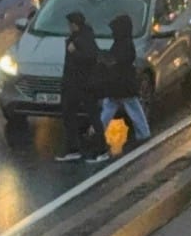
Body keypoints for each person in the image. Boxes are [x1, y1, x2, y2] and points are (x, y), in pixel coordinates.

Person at [56, 12, 110, 162]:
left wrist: (75, 52)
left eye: (70, 24)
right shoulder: (79, 37)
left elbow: (89, 57)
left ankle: (101, 149)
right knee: (69, 115)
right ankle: (73, 149)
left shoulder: (84, 39)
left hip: (85, 85)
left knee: (93, 116)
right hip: (73, 85)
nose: (68, 27)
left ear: (74, 25)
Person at [99, 14, 151, 147]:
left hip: (119, 83)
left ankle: (98, 132)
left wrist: (105, 58)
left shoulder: (121, 44)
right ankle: (143, 133)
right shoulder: (126, 42)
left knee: (112, 107)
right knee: (131, 108)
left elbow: (117, 60)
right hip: (124, 83)